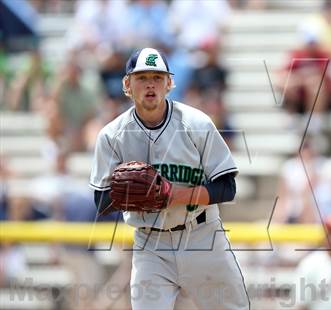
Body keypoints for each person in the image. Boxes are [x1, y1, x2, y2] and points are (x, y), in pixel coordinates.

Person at [89, 47, 249, 309]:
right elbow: (101, 201)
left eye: (157, 78)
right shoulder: (111, 135)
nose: (150, 85)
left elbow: (227, 187)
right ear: (127, 85)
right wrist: (135, 196)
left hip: (202, 236)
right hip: (150, 243)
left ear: (170, 83)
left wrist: (174, 196)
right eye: (142, 78)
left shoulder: (196, 124)